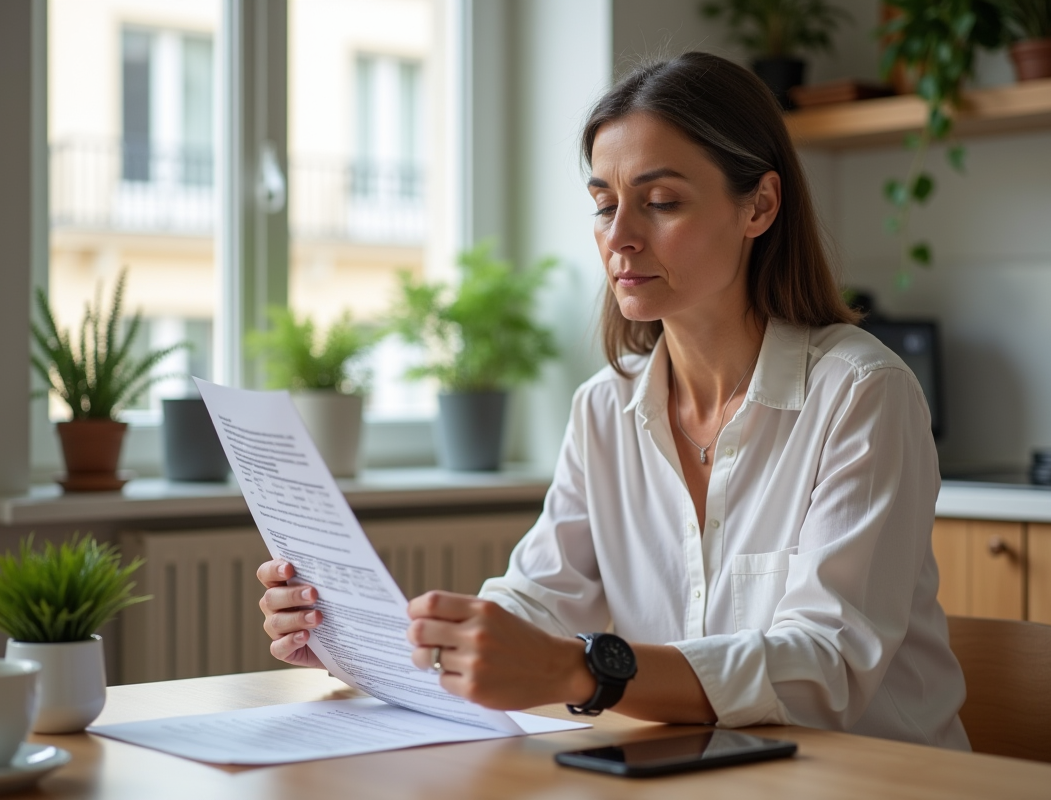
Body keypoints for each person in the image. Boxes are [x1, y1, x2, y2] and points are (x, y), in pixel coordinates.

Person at [257, 51, 969, 750]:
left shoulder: (861, 393)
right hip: (702, 773)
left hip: (869, 779)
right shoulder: (606, 408)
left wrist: (581, 669)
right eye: (604, 204)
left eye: (661, 203)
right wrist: (378, 648)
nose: (620, 237)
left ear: (760, 205)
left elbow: (823, 668)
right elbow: (534, 602)